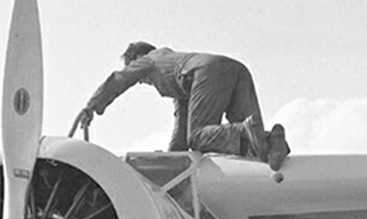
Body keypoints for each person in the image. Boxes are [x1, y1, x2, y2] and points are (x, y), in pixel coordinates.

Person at [75, 43, 291, 171]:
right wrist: (172, 160)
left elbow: (119, 79)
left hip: (207, 72)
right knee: (254, 142)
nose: (142, 82)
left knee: (198, 137)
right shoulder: (176, 73)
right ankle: (272, 140)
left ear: (138, 59)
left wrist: (91, 107)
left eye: (140, 78)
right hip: (235, 68)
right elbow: (181, 131)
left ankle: (244, 129)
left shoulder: (150, 59)